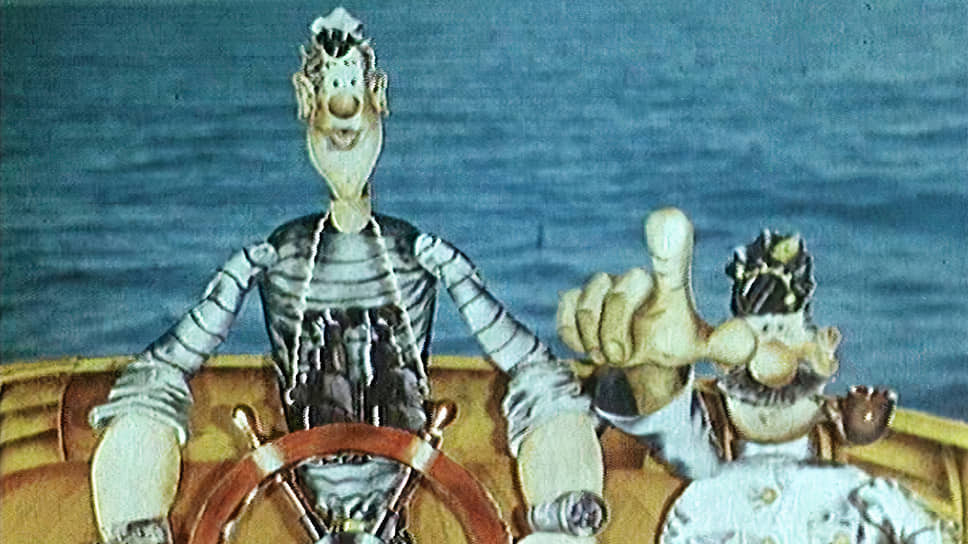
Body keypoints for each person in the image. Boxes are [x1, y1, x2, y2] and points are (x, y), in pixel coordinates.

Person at [88, 8, 603, 544]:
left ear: (377, 94)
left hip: (398, 498)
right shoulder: (279, 256)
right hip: (313, 486)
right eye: (331, 90)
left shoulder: (418, 254)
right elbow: (162, 370)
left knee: (550, 393)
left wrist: (564, 505)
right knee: (144, 396)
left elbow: (534, 371)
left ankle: (564, 522)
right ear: (305, 99)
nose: (344, 109)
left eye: (352, 87)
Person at [548, 207, 955, 542]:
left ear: (826, 353)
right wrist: (648, 367)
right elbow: (669, 426)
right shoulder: (703, 495)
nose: (769, 376)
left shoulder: (862, 493)